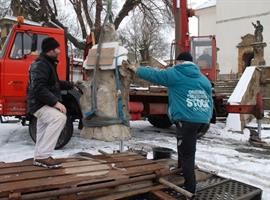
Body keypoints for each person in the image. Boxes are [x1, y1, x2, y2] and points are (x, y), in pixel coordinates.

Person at [127, 52, 213, 195]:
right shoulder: (202, 78)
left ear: (179, 62)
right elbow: (210, 100)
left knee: (187, 154)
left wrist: (137, 69)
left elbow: (156, 75)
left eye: (176, 62)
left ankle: (190, 189)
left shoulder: (176, 73)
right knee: (184, 145)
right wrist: (208, 116)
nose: (174, 64)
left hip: (187, 119)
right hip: (201, 119)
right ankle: (181, 169)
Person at [27, 37, 74, 169]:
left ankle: (39, 156)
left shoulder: (47, 63)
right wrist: (55, 103)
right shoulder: (41, 64)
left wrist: (70, 85)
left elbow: (53, 84)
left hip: (41, 102)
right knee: (59, 118)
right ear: (50, 50)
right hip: (39, 103)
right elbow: (39, 88)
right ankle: (43, 157)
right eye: (57, 48)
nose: (59, 51)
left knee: (42, 128)